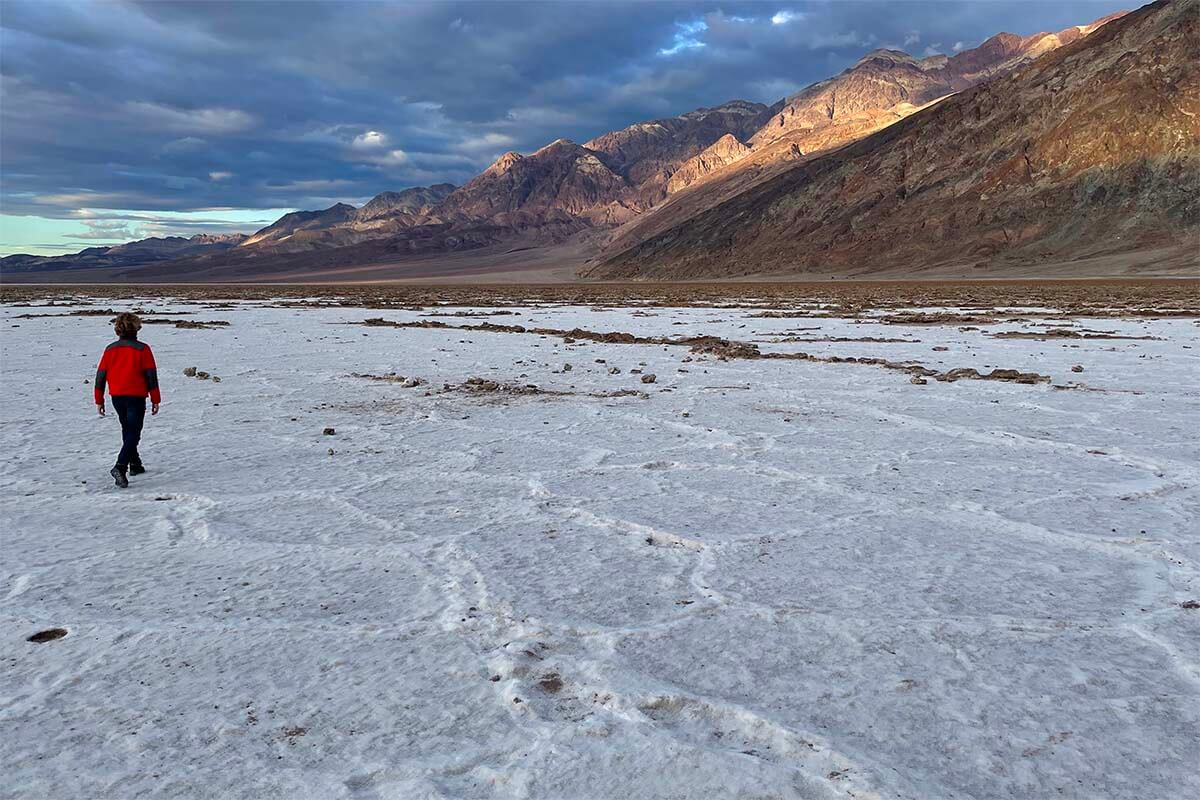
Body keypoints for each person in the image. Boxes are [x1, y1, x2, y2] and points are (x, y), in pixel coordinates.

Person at [94, 312, 161, 488]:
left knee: (128, 429)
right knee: (134, 432)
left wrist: (99, 399)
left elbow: (100, 376)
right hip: (136, 396)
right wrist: (156, 398)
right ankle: (120, 466)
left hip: (117, 396)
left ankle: (135, 464)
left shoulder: (110, 349)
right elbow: (151, 376)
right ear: (136, 328)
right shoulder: (143, 349)